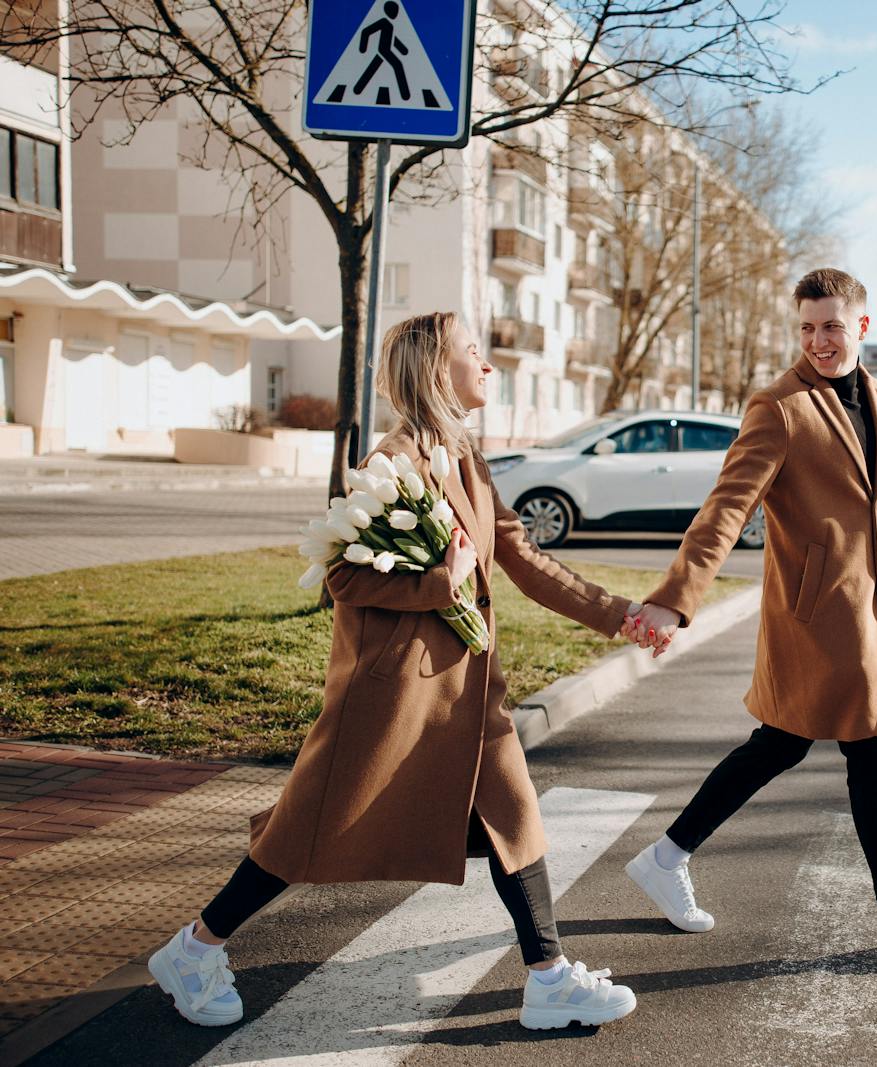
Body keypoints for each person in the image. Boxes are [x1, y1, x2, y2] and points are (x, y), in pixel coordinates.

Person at [146, 311, 640, 1031]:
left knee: (516, 816)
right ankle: (194, 947)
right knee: (303, 832)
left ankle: (550, 977)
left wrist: (622, 614)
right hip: (397, 695)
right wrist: (442, 584)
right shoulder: (397, 457)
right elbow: (344, 579)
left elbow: (524, 558)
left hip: (467, 690)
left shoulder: (463, 455)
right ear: (441, 370)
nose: (489, 364)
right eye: (476, 353)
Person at [621, 268, 877, 970]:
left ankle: (664, 855)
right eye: (806, 327)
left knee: (782, 744)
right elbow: (727, 506)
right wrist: (677, 597)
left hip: (864, 613)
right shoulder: (780, 406)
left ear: (861, 326)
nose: (817, 340)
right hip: (818, 614)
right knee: (874, 755)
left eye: (830, 325)